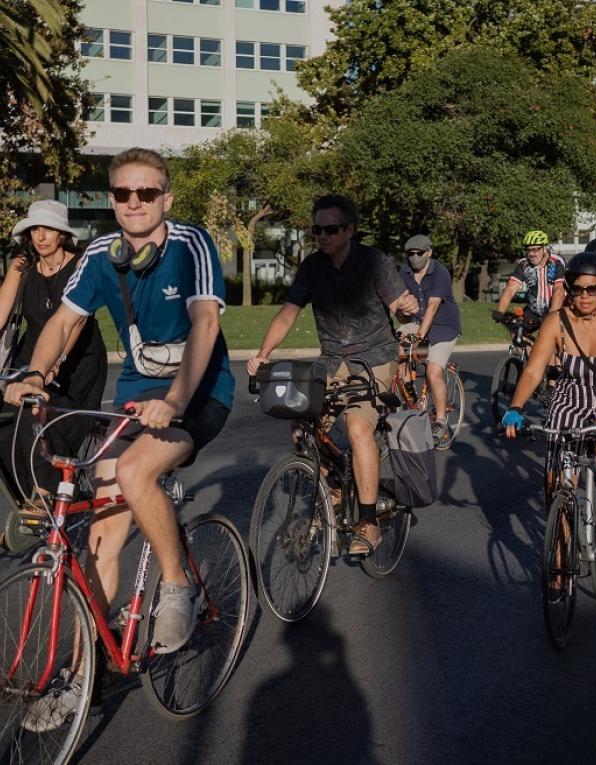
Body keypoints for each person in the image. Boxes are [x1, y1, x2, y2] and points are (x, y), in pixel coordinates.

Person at [5, 147, 235, 729]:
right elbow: (63, 321)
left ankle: (177, 584)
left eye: (148, 192)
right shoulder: (102, 258)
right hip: (136, 396)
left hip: (200, 392)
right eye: (125, 194)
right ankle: (83, 676)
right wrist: (35, 374)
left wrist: (177, 399)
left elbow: (206, 320)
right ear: (112, 200)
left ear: (166, 197)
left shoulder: (191, 244)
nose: (136, 203)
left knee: (135, 474)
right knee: (103, 535)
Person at [247, 195, 418, 555]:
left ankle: (369, 523)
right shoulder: (312, 267)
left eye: (331, 229)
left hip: (375, 357)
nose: (323, 235)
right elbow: (288, 312)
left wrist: (406, 309)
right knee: (304, 426)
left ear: (350, 230)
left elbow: (400, 307)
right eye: (317, 229)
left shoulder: (373, 262)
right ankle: (336, 489)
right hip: (332, 357)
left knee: (357, 427)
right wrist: (264, 354)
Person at [501, 252, 596, 528]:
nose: (584, 295)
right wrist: (515, 407)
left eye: (592, 289)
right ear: (569, 290)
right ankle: (560, 563)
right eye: (577, 289)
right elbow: (533, 370)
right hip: (567, 397)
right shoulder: (556, 321)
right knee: (558, 486)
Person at [0, 200, 107, 502]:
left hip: (77, 359)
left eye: (48, 228)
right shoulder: (22, 266)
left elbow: (74, 323)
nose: (41, 236)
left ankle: (46, 498)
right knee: (7, 420)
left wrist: (55, 362)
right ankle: (22, 498)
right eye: (35, 228)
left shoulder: (81, 264)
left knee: (41, 420)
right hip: (28, 355)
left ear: (62, 234)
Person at [396, 234, 461, 443]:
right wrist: (400, 312)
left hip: (444, 326)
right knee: (394, 352)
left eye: (419, 253)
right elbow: (398, 305)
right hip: (416, 322)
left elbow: (433, 306)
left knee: (433, 371)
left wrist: (419, 336)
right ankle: (412, 404)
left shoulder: (439, 271)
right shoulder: (404, 272)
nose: (414, 257)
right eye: (411, 254)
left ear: (429, 252)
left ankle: (441, 422)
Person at [495, 230, 566, 319]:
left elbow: (559, 290)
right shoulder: (524, 264)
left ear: (545, 248)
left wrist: (552, 315)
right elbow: (510, 288)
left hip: (555, 309)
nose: (531, 254)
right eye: (528, 250)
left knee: (547, 332)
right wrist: (500, 311)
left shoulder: (556, 262)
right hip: (534, 310)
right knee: (516, 331)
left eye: (535, 250)